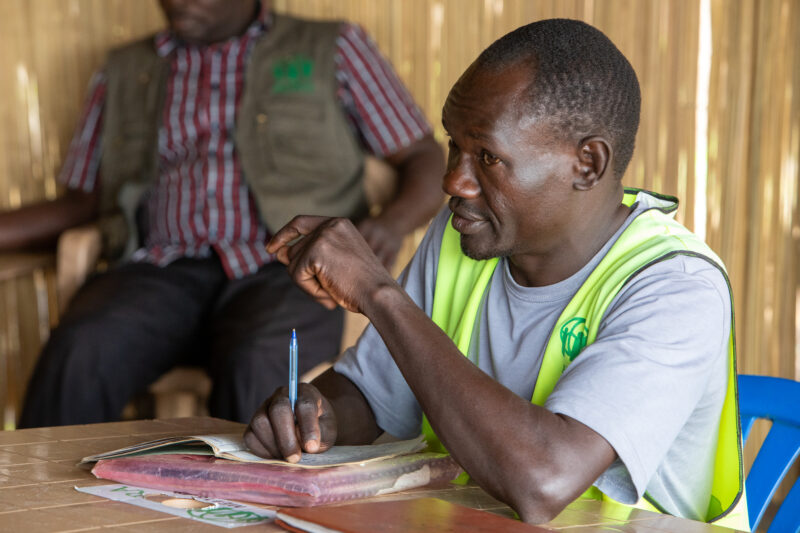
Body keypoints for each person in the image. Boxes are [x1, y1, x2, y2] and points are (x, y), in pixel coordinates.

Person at [243, 19, 749, 528]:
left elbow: (543, 482)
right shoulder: (468, 235)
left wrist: (378, 291)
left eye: (487, 157)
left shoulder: (677, 286)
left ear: (588, 164)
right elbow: (374, 397)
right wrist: (313, 413)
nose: (453, 181)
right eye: (453, 146)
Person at [8, 0, 445, 427]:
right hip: (161, 270)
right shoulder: (122, 69)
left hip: (289, 269)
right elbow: (82, 201)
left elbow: (424, 156)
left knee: (258, 362)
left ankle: (251, 500)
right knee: (81, 348)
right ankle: (35, 498)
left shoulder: (334, 46)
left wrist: (390, 224)